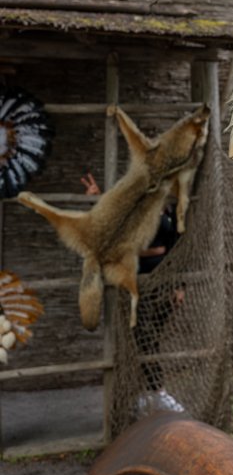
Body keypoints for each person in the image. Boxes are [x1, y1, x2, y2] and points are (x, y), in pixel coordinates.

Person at [81, 172, 184, 413]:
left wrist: (180, 286)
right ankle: (158, 391)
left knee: (152, 337)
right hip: (136, 281)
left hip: (164, 281)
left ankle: (147, 392)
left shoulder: (169, 210)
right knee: (143, 335)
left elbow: (177, 248)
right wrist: (97, 198)